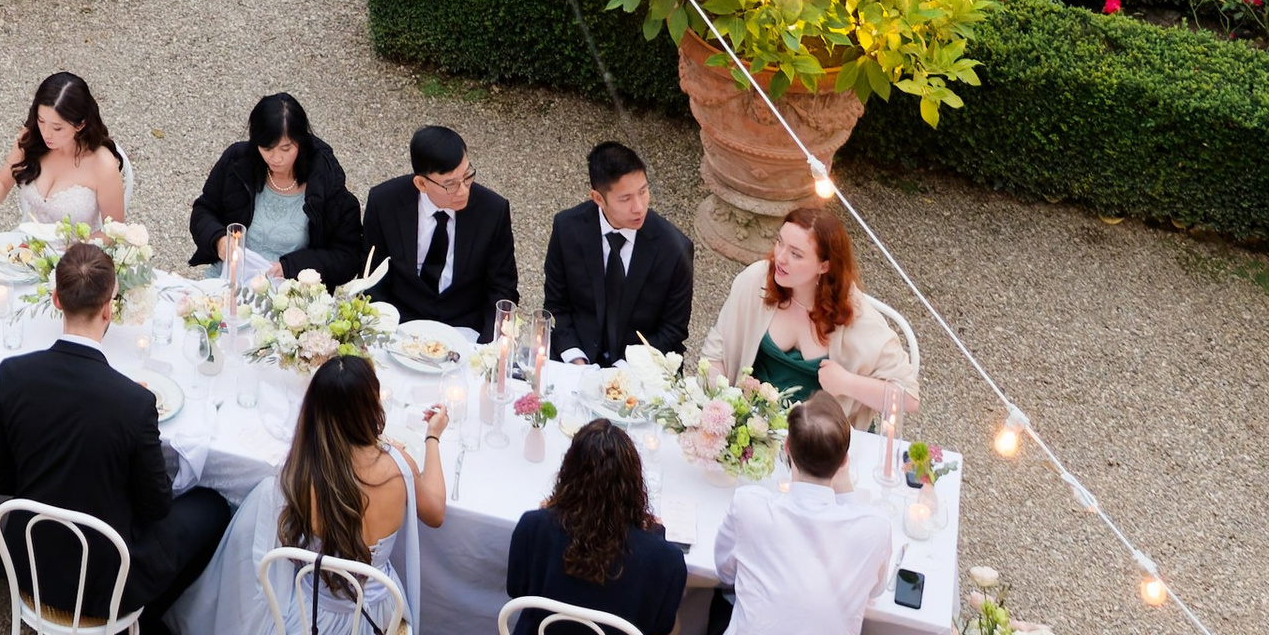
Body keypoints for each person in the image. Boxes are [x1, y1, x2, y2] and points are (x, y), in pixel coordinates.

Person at [171, 352, 446, 635]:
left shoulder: (300, 477)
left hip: (313, 622)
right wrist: (432, 438)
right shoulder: (400, 468)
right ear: (372, 406)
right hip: (378, 615)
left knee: (251, 534)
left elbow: (273, 553)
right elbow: (436, 512)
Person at [0, 239, 231, 635]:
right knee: (213, 507)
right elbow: (157, 506)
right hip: (106, 577)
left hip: (29, 557)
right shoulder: (133, 403)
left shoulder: (12, 374)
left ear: (56, 300)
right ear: (110, 308)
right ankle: (142, 627)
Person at [492, 422, 690, 635]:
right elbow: (661, 624)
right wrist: (654, 535)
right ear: (634, 484)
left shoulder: (534, 527)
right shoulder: (663, 557)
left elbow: (518, 589)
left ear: (567, 472)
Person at [708, 394, 888, 635]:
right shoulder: (873, 529)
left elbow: (723, 570)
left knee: (719, 599)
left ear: (786, 447)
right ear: (845, 462)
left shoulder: (751, 505)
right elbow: (876, 592)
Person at [705, 201, 918, 427]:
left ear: (824, 266)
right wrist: (720, 406)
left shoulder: (857, 315)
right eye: (780, 243)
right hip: (753, 424)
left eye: (796, 254)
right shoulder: (757, 280)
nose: (780, 257)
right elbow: (716, 350)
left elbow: (909, 398)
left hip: (820, 439)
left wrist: (847, 383)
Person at [541, 141, 693, 365]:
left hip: (640, 367)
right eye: (626, 198)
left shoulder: (675, 249)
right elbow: (556, 305)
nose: (639, 207)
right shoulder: (567, 228)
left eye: (643, 192)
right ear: (598, 199)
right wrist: (575, 359)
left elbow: (672, 330)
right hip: (577, 357)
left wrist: (622, 371)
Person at [362, 123, 519, 339]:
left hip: (465, 327)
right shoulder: (384, 203)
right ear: (421, 183)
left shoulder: (493, 210)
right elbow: (372, 274)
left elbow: (502, 288)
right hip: (402, 324)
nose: (464, 190)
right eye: (450, 184)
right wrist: (386, 329)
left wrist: (486, 349)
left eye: (467, 175)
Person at [189, 94, 364, 285]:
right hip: (231, 278)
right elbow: (203, 210)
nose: (276, 158)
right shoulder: (237, 162)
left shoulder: (327, 183)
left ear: (301, 141)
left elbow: (347, 257)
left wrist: (292, 267)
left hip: (291, 293)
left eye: (286, 149)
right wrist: (219, 240)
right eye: (267, 148)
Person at [0, 73, 128, 238]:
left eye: (57, 128)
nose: (46, 134)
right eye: (41, 121)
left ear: (80, 125)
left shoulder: (102, 164)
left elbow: (114, 231)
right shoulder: (31, 139)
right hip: (26, 247)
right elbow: (2, 182)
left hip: (77, 257)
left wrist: (73, 251)